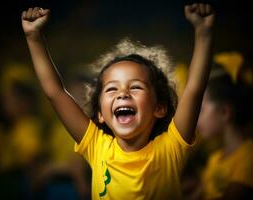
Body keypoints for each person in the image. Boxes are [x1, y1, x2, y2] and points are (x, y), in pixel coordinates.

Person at [21, 3, 215, 199]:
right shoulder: (96, 146)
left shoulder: (171, 148)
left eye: (136, 87)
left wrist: (203, 33)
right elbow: (55, 92)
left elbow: (194, 89)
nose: (122, 94)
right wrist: (34, 38)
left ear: (159, 108)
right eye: (112, 88)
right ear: (100, 114)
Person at [188, 69, 253, 200]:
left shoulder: (249, 157)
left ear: (224, 112)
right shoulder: (215, 159)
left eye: (201, 109)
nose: (195, 117)